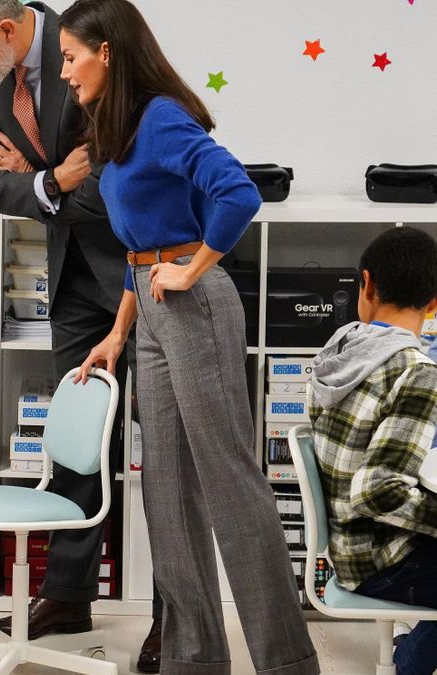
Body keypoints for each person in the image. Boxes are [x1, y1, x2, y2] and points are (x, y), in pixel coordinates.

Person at [61, 1, 318, 673]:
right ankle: (193, 659)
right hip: (151, 309)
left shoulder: (161, 118)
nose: (64, 71)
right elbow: (139, 248)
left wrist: (194, 268)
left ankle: (287, 663)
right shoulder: (116, 131)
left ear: (106, 52)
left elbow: (237, 193)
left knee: (231, 484)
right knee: (165, 491)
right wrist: (119, 331)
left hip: (195, 304)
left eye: (69, 56)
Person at [0, 1, 161, 666]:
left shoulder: (86, 45)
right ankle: (65, 594)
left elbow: (113, 174)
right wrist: (51, 179)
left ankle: (176, 616)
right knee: (79, 442)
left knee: (165, 450)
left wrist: (30, 180)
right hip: (71, 280)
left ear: (5, 30)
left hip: (139, 266)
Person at [308, 227, 437, 675]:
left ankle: (411, 660)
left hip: (347, 547)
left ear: (365, 284)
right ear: (435, 303)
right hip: (381, 560)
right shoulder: (415, 371)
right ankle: (410, 663)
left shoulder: (339, 349)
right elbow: (378, 491)